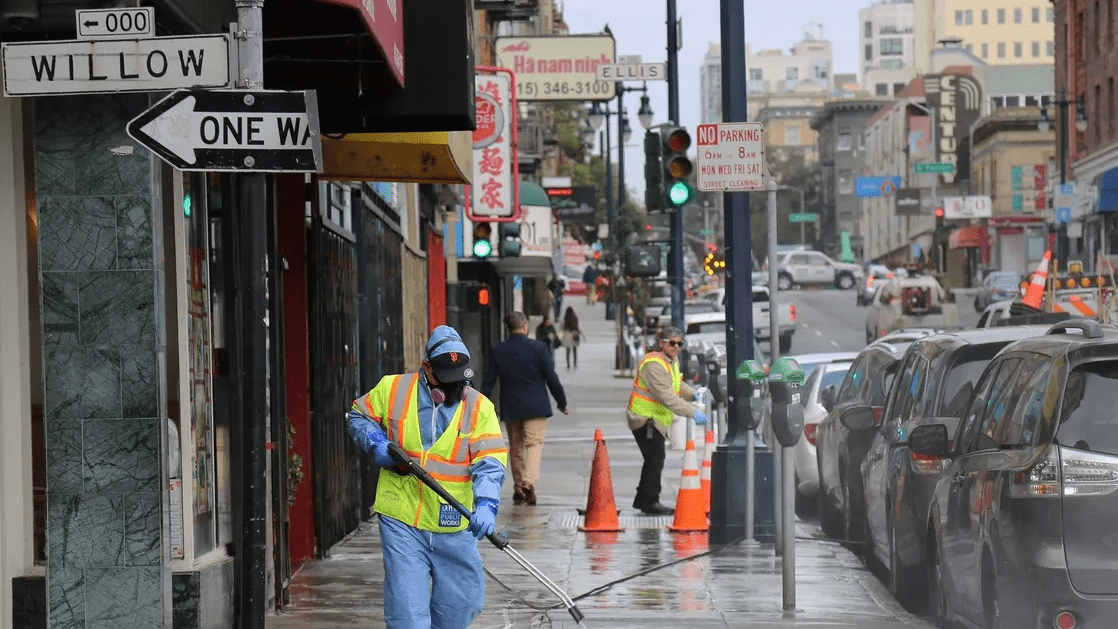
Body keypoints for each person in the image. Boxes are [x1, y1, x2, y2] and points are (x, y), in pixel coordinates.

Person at [347, 325, 507, 629]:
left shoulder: (479, 406)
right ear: (427, 369)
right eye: (445, 379)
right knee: (407, 615)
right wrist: (377, 443)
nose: (453, 388)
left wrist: (487, 502)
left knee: (460, 608)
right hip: (402, 520)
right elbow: (358, 415)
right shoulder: (393, 389)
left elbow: (491, 459)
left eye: (459, 379)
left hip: (454, 522)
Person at [483, 311, 569, 506]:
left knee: (515, 448)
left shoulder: (498, 350)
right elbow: (552, 379)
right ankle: (528, 482)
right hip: (536, 407)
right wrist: (562, 403)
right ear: (525, 326)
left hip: (511, 408)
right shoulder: (538, 348)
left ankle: (518, 488)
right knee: (534, 444)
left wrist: (481, 406)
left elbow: (489, 381)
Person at [626, 326, 708, 515]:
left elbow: (676, 385)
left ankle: (644, 499)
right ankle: (650, 501)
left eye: (680, 343)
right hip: (643, 418)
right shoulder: (654, 365)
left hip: (654, 419)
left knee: (653, 459)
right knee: (656, 459)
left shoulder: (670, 360)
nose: (676, 347)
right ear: (662, 343)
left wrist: (692, 394)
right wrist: (692, 411)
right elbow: (668, 397)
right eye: (672, 343)